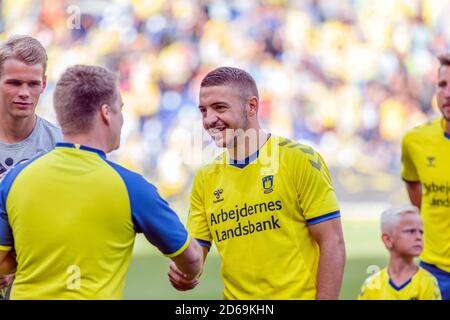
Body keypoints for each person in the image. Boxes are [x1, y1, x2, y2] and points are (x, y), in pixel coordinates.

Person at [0, 64, 203, 299]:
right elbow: (192, 259)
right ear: (106, 113)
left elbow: (3, 263)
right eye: (120, 109)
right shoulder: (132, 187)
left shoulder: (15, 178)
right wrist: (187, 274)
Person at [168, 66, 346, 299]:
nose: (210, 120)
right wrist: (185, 272)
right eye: (203, 111)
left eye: (219, 107)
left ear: (251, 106)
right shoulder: (205, 178)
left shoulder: (298, 159)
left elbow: (332, 241)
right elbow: (196, 254)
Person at [0, 35, 62, 299]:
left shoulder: (61, 145)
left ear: (44, 84)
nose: (24, 92)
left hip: (39, 284)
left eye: (33, 84)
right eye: (14, 83)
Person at [401, 53, 450, 300]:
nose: (448, 93)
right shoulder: (415, 141)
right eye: (442, 85)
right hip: (434, 271)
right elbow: (415, 190)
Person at [358, 205, 441, 300]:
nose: (418, 237)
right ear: (388, 239)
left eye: (421, 232)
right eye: (411, 231)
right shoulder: (372, 285)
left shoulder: (427, 282)